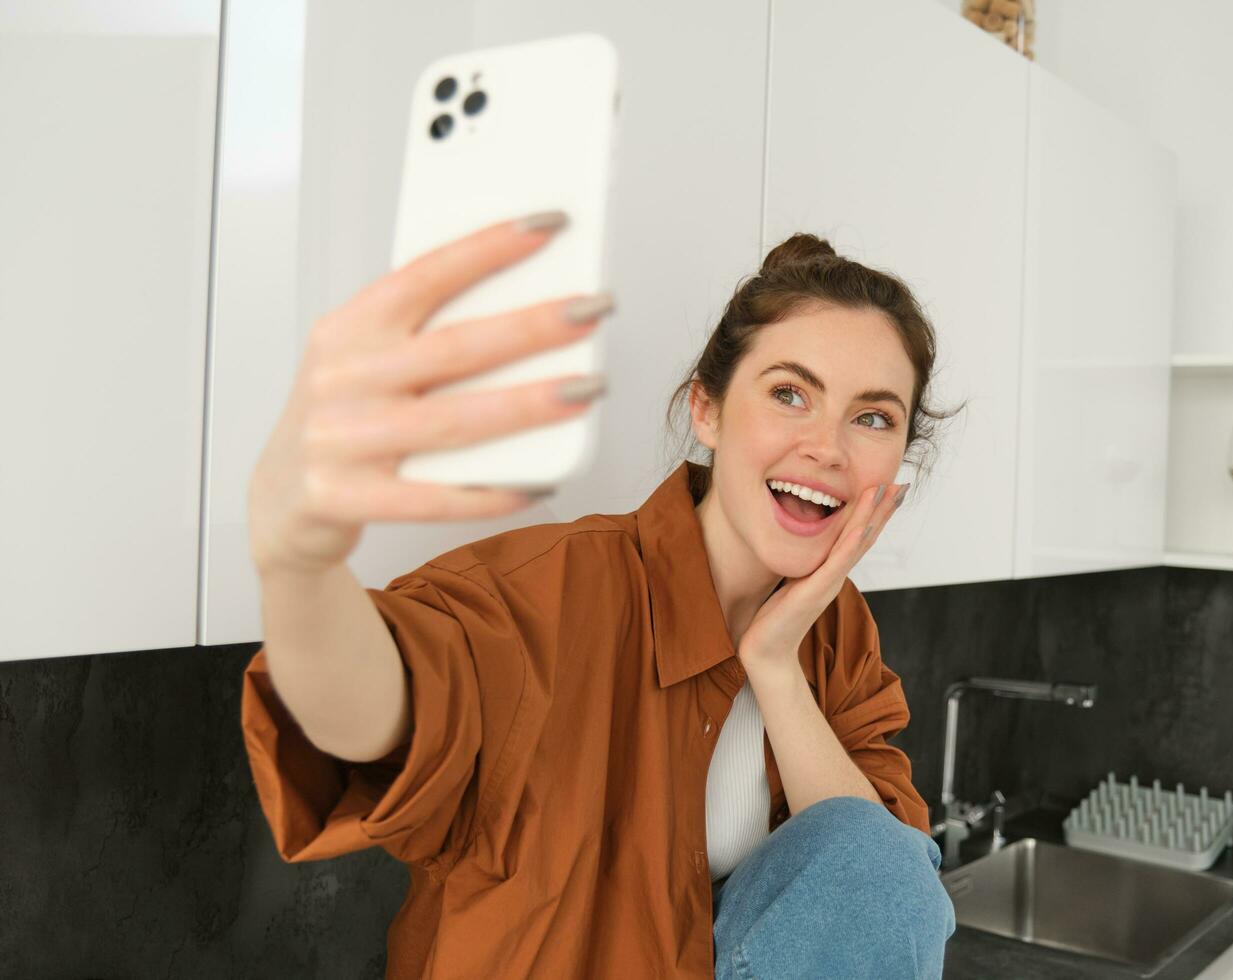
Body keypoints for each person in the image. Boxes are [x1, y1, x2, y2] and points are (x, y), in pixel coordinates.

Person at [240, 211, 961, 978]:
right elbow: (384, 710)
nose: (827, 447)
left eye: (873, 417)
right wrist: (299, 566)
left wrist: (774, 667)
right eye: (790, 394)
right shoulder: (552, 593)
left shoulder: (836, 634)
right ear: (707, 409)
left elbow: (880, 895)